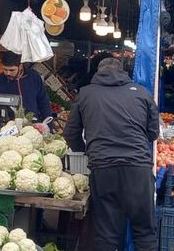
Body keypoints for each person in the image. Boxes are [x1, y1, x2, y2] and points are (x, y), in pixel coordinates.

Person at [64, 58, 159, 251]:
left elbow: (70, 133)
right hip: (137, 170)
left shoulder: (85, 94)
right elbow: (153, 133)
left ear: (98, 72)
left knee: (106, 233)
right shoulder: (141, 93)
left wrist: (84, 149)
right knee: (144, 232)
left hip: (103, 169)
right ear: (123, 71)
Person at [0, 51, 52, 126]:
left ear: (20, 66)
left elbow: (43, 102)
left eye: (12, 70)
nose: (8, 73)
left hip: (32, 125)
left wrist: (49, 125)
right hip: (6, 127)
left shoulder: (33, 77)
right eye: (5, 69)